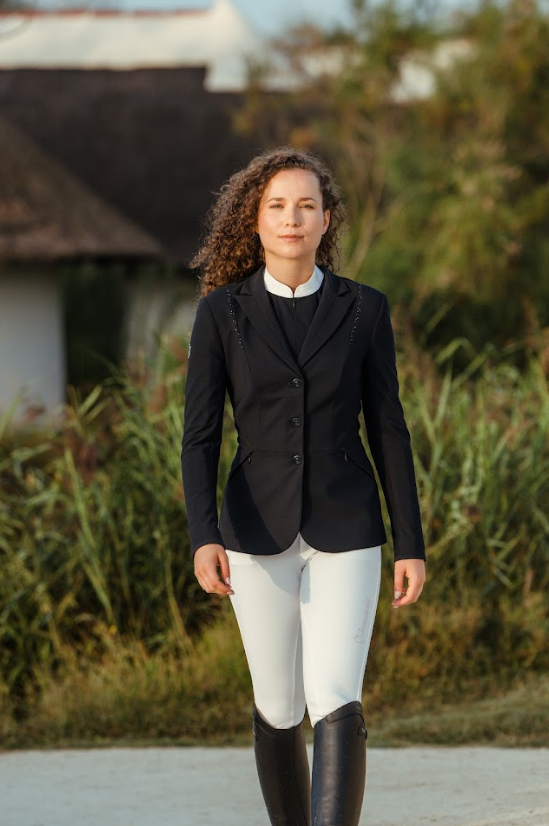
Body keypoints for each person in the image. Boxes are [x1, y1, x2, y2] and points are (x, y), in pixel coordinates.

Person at [181, 146, 426, 826]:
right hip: (252, 531)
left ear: (326, 221)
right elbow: (199, 437)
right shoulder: (220, 314)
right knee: (279, 704)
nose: (292, 218)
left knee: (335, 695)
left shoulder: (364, 309)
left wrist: (410, 543)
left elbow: (389, 430)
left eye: (306, 205)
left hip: (347, 526)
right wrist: (203, 535)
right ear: (255, 221)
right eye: (277, 206)